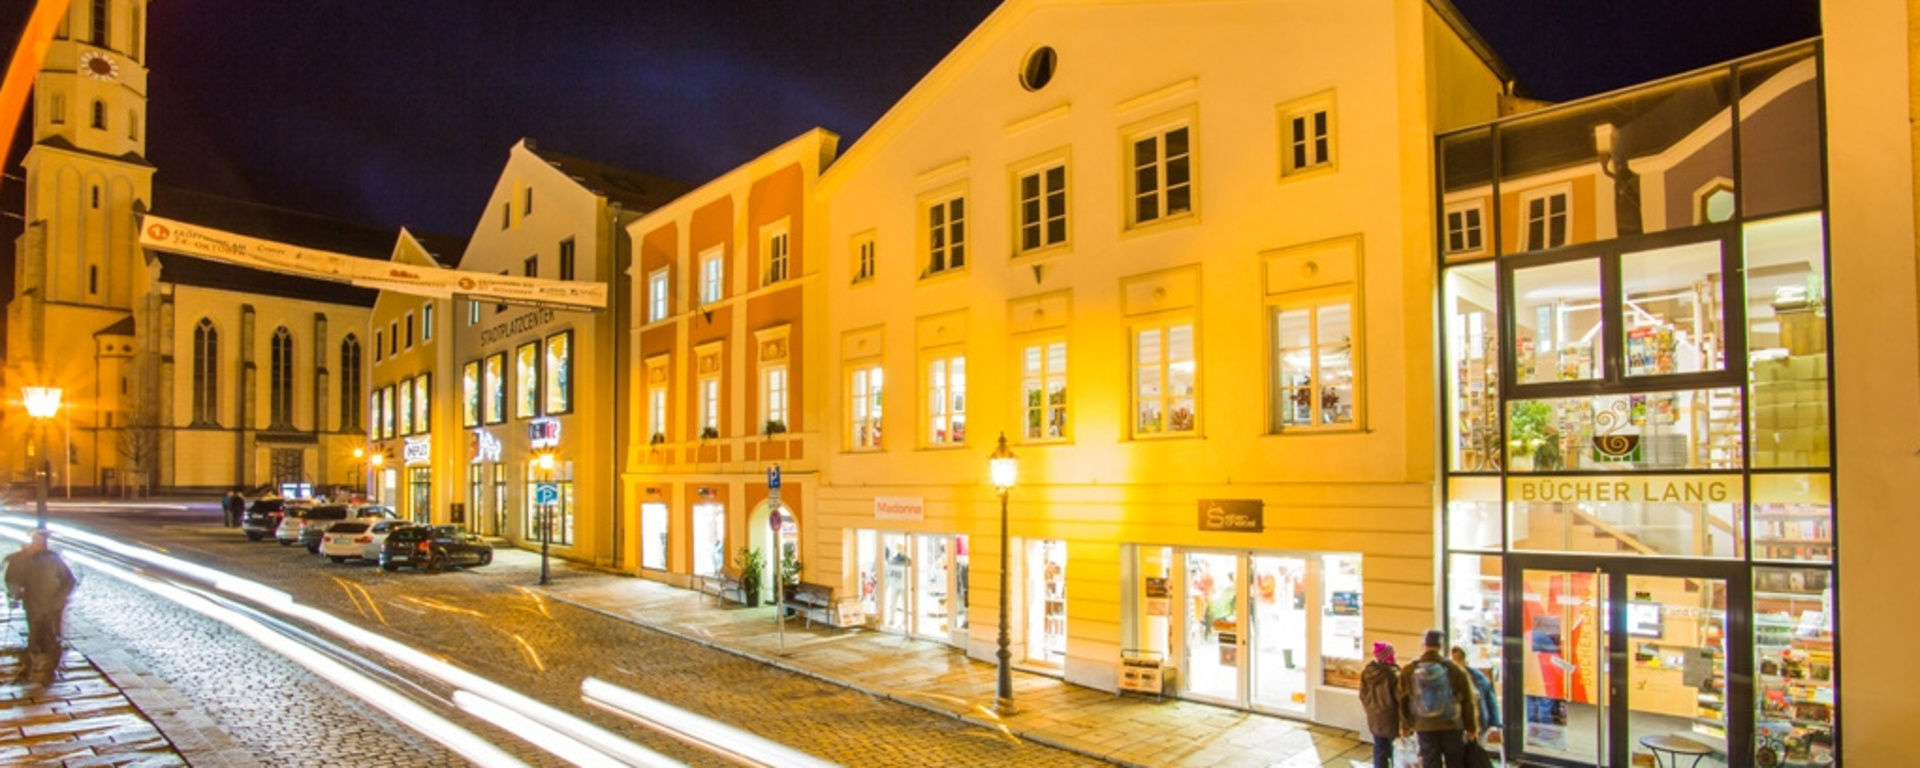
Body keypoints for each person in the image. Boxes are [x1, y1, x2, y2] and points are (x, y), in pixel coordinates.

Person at [4, 530, 77, 685]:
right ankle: (30, 669)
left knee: (52, 638)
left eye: (41, 540)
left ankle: (50, 671)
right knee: (34, 637)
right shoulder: (23, 559)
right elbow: (12, 580)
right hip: (34, 605)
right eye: (36, 540)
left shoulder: (54, 559)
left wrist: (59, 598)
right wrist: (16, 593)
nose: (39, 543)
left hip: (53, 607)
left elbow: (69, 580)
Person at [1399, 629, 1479, 768]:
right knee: (1455, 762)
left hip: (1424, 726)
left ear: (1423, 645)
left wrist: (1406, 725)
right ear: (1441, 646)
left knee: (1430, 762)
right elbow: (1467, 701)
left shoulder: (1409, 670)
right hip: (1451, 725)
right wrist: (1471, 728)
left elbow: (1402, 700)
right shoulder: (1455, 669)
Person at [1359, 641, 1403, 768]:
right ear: (1388, 655)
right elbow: (1400, 698)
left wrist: (1370, 709)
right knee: (1395, 751)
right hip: (1391, 718)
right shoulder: (1392, 675)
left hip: (1374, 718)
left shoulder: (1367, 672)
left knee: (1379, 749)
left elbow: (1362, 695)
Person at [1451, 646, 1501, 741]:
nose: (1456, 662)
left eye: (1459, 658)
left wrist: (1495, 724)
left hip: (1476, 722)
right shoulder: (1450, 676)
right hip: (1458, 724)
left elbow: (1490, 700)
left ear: (1464, 659)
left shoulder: (1477, 677)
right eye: (1454, 659)